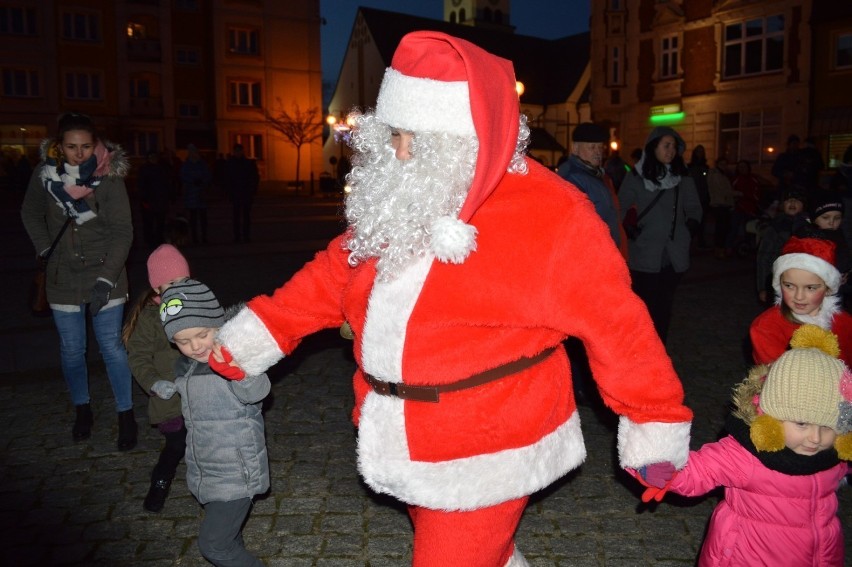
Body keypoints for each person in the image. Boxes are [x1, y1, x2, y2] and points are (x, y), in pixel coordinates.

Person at [209, 31, 693, 566]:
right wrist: (253, 337)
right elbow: (330, 276)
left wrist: (653, 423)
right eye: (393, 132)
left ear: (463, 137)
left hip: (487, 446)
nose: (395, 150)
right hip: (397, 429)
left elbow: (618, 326)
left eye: (409, 135)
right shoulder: (398, 197)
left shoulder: (553, 215)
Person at [630, 324, 851, 566]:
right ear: (772, 416)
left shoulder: (832, 455)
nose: (816, 438)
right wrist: (655, 463)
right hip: (747, 557)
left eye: (827, 427)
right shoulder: (746, 456)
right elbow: (699, 471)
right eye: (801, 423)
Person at [20, 112, 138, 450]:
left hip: (106, 273)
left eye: (86, 146)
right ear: (59, 146)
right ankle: (82, 409)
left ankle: (125, 414)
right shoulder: (44, 175)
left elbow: (122, 231)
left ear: (96, 145)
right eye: (71, 147)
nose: (79, 153)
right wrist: (44, 247)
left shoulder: (109, 178)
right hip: (62, 275)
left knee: (111, 349)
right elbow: (30, 212)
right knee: (72, 350)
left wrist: (105, 279)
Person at [156, 279, 270, 566]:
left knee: (214, 545)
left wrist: (240, 372)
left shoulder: (233, 358)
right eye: (182, 341)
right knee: (230, 539)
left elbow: (258, 391)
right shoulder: (189, 365)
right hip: (205, 468)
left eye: (202, 334)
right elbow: (196, 395)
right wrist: (173, 388)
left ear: (218, 325)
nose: (194, 346)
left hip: (237, 471)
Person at [618, 126, 703, 343]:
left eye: (674, 146)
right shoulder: (636, 177)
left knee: (664, 306)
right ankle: (642, 346)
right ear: (653, 146)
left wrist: (688, 231)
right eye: (666, 145)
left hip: (673, 255)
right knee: (644, 306)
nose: (671, 150)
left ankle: (658, 348)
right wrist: (630, 228)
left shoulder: (682, 177)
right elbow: (620, 208)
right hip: (644, 253)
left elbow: (695, 208)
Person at [122, 244, 190, 512]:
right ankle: (160, 483)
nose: (178, 287)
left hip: (195, 392)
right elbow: (137, 357)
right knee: (177, 444)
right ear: (157, 287)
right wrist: (153, 383)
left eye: (183, 281)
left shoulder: (192, 305)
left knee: (202, 441)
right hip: (168, 397)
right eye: (171, 283)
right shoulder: (150, 318)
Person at [750, 235, 852, 367]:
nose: (799, 297)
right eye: (789, 286)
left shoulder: (845, 324)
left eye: (810, 288)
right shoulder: (766, 327)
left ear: (828, 288)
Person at [557, 122, 626, 257]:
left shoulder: (595, 174)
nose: (598, 152)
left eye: (600, 147)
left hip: (602, 254)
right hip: (590, 256)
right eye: (592, 147)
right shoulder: (572, 177)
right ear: (575, 148)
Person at [755, 187, 808, 303]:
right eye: (788, 200)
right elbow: (763, 257)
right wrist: (762, 287)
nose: (792, 203)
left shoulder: (808, 228)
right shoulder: (775, 227)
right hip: (778, 280)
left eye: (797, 200)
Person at [137, 150, 174, 249]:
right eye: (151, 157)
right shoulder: (144, 169)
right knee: (148, 222)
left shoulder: (162, 168)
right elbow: (141, 185)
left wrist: (170, 197)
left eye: (155, 156)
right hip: (149, 201)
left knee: (160, 222)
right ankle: (149, 240)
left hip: (161, 201)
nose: (154, 159)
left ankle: (159, 239)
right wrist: (144, 199)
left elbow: (167, 183)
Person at [224, 143, 260, 243]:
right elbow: (227, 179)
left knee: (246, 216)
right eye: (236, 151)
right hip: (237, 193)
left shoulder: (248, 163)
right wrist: (228, 192)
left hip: (246, 193)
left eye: (239, 151)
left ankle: (246, 235)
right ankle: (237, 236)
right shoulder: (231, 164)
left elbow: (254, 178)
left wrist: (252, 190)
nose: (238, 153)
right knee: (237, 216)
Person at [179, 144, 211, 244]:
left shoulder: (202, 164)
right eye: (191, 151)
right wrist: (192, 181)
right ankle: (195, 238)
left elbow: (208, 176)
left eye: (194, 151)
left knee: (203, 219)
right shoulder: (186, 165)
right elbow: (182, 176)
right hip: (191, 195)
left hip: (201, 194)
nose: (193, 153)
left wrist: (203, 182)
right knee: (193, 219)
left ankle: (204, 237)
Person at [706, 157, 735, 259]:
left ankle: (719, 249)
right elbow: (722, 190)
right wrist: (737, 194)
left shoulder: (722, 174)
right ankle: (719, 250)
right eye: (722, 164)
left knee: (722, 228)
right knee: (722, 228)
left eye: (725, 164)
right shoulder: (716, 175)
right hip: (720, 204)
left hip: (722, 203)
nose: (724, 166)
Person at [687, 144, 710, 248]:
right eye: (698, 152)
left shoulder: (706, 167)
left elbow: (707, 183)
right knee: (692, 221)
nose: (700, 154)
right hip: (692, 198)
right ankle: (689, 241)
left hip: (703, 197)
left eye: (702, 152)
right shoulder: (690, 167)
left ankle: (701, 241)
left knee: (702, 221)